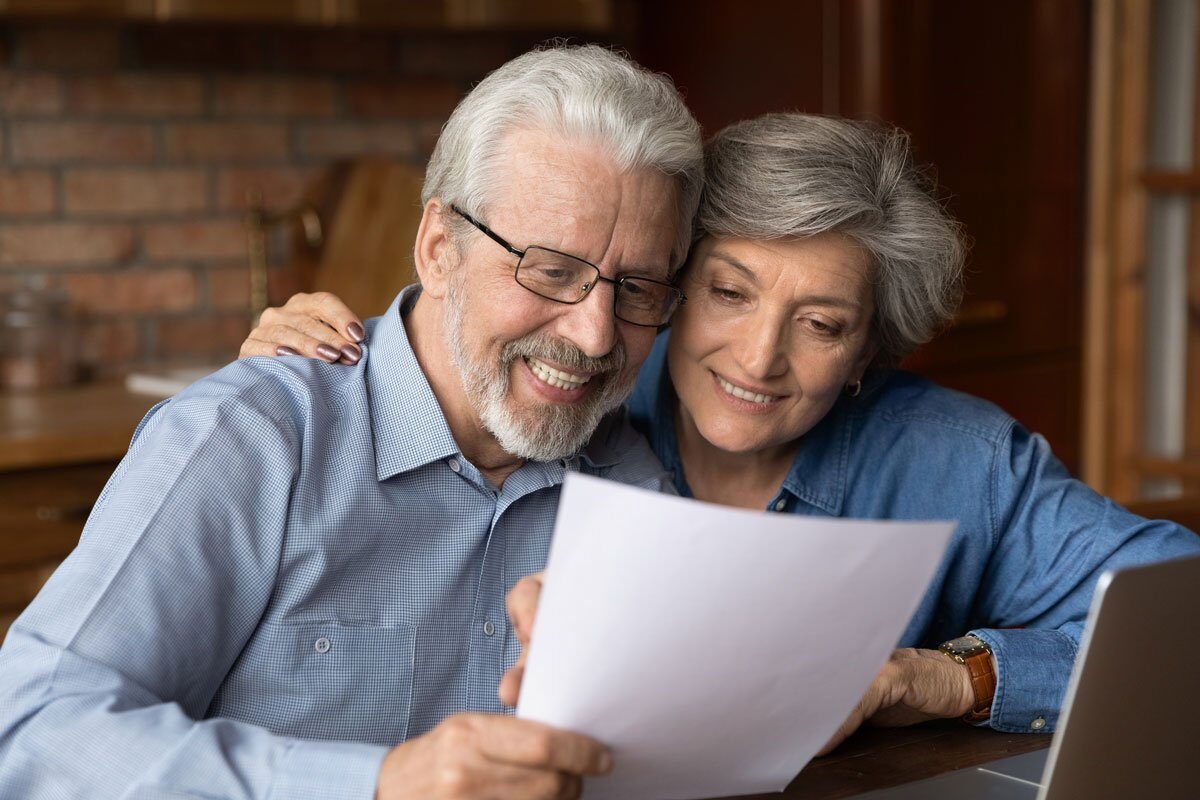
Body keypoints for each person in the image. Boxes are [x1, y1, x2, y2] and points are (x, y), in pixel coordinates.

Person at [247, 112, 1200, 753]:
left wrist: (939, 679)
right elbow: (458, 355)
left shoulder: (956, 461)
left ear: (872, 350)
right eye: (727, 293)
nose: (758, 357)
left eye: (822, 324)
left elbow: (1179, 623)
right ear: (666, 285)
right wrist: (348, 361)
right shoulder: (579, 386)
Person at [0, 45, 706, 800]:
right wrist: (378, 783)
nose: (596, 335)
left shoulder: (635, 485)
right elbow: (35, 731)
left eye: (636, 288)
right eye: (551, 271)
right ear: (439, 250)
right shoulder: (251, 439)